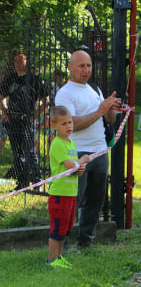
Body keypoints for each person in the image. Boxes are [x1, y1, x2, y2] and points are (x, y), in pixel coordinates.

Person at [54, 50, 121, 248]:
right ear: (70, 67)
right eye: (81, 66)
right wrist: (100, 110)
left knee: (96, 200)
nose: (86, 70)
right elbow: (71, 123)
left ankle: (85, 240)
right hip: (78, 153)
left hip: (99, 151)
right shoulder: (65, 93)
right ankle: (62, 244)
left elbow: (108, 120)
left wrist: (111, 109)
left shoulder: (94, 89)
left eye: (89, 66)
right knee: (73, 201)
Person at [46, 105, 89, 268]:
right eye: (63, 124)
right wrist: (83, 161)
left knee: (65, 228)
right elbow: (72, 166)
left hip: (71, 194)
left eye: (70, 122)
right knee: (57, 229)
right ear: (54, 126)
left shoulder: (71, 144)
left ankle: (59, 256)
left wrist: (80, 167)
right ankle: (51, 260)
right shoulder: (57, 144)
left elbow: (76, 171)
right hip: (59, 194)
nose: (68, 126)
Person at [0, 51, 48, 190]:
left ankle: (37, 182)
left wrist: (35, 115)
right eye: (15, 61)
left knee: (30, 151)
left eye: (20, 60)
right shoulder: (10, 79)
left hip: (27, 119)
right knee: (17, 153)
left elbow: (46, 100)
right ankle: (22, 182)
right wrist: (5, 113)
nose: (17, 63)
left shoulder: (34, 79)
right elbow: (1, 96)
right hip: (12, 120)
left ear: (27, 62)